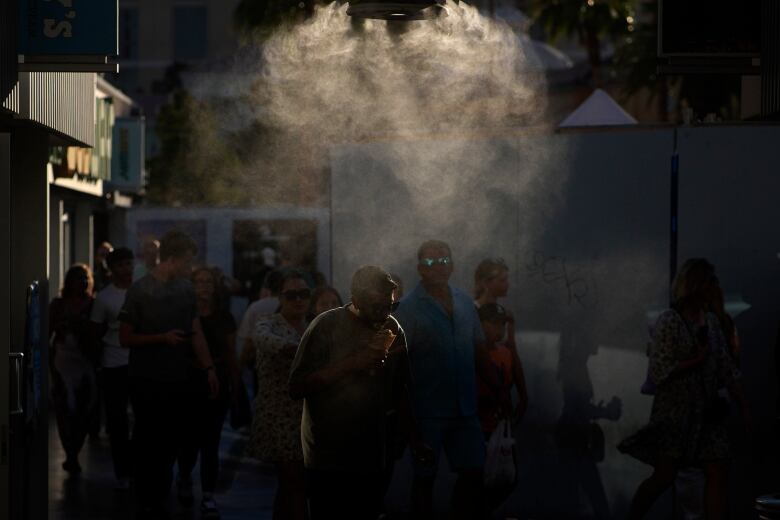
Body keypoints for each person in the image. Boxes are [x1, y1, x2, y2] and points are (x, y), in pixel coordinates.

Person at [289, 265, 430, 520]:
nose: (385, 315)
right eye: (378, 308)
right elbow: (298, 386)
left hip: (372, 454)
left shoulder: (394, 329)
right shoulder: (326, 326)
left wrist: (415, 440)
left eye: (391, 306)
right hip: (327, 455)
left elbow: (401, 390)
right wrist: (355, 363)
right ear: (355, 300)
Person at [618, 258, 750, 520]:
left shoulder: (711, 322)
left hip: (706, 415)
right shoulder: (670, 321)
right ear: (696, 286)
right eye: (709, 282)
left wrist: (743, 406)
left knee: (717, 469)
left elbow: (726, 369)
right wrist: (696, 360)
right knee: (665, 476)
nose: (714, 287)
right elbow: (660, 370)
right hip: (677, 416)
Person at [119, 230, 219, 519]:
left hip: (177, 378)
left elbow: (196, 330)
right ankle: (144, 496)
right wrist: (162, 338)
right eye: (187, 262)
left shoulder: (185, 290)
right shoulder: (140, 290)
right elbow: (125, 338)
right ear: (172, 260)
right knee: (148, 438)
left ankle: (160, 497)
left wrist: (209, 368)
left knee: (170, 441)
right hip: (146, 379)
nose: (190, 269)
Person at [394, 240, 495, 520]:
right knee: (425, 478)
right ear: (419, 269)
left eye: (442, 260)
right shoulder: (408, 308)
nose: (437, 267)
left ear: (451, 264)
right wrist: (409, 427)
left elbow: (479, 350)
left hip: (465, 410)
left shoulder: (464, 302)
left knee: (473, 473)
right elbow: (396, 368)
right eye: (429, 263)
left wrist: (500, 392)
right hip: (427, 412)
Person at [177, 266, 240, 519]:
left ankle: (208, 494)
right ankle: (183, 477)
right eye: (198, 282)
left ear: (214, 287)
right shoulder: (183, 315)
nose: (203, 286)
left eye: (207, 282)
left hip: (218, 381)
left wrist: (235, 386)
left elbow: (230, 353)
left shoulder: (224, 317)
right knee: (189, 439)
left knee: (211, 441)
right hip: (189, 380)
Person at [248, 270, 311, 520]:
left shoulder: (311, 325)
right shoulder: (268, 322)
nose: (298, 300)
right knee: (295, 484)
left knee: (290, 487)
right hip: (279, 419)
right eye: (291, 295)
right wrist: (299, 350)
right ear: (280, 298)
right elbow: (264, 340)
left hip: (306, 420)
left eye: (304, 294)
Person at [90, 248, 134, 489]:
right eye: (121, 265)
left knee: (142, 417)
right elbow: (95, 332)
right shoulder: (104, 298)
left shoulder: (143, 292)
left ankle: (137, 465)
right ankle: (123, 471)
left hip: (140, 361)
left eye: (129, 264)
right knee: (117, 420)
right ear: (112, 268)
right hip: (113, 363)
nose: (126, 270)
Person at [49, 264, 97, 474]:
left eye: (86, 278)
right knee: (64, 409)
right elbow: (47, 331)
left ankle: (74, 451)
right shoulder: (58, 305)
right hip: (62, 360)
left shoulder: (94, 305)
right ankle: (70, 453)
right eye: (79, 278)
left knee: (84, 410)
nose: (83, 282)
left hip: (86, 361)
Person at [473, 258, 528, 425]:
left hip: (502, 395)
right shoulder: (472, 312)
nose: (507, 284)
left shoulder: (504, 314)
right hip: (480, 397)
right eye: (502, 280)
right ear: (486, 283)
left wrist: (522, 394)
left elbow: (512, 352)